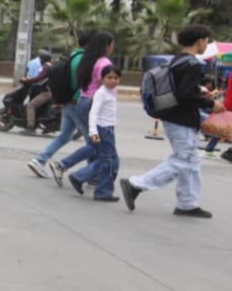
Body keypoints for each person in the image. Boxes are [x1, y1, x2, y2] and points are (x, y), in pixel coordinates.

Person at [121, 24, 226, 218]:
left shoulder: (177, 60)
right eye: (206, 41)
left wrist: (201, 94)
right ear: (199, 41)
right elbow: (185, 95)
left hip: (173, 116)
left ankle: (187, 203)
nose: (206, 44)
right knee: (182, 160)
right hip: (183, 119)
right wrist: (210, 104)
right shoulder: (192, 64)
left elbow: (181, 90)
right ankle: (136, 184)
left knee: (192, 161)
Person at [49, 31, 114, 187]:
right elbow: (105, 86)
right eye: (111, 44)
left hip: (83, 102)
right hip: (93, 104)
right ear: (106, 46)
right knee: (99, 146)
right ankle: (65, 167)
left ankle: (91, 175)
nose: (112, 47)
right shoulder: (103, 63)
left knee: (94, 144)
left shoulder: (86, 60)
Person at [27, 31, 92, 178]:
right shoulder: (85, 60)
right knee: (93, 142)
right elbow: (83, 85)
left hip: (67, 103)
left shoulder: (73, 56)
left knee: (65, 136)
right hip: (77, 103)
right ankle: (89, 174)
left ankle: (39, 160)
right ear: (89, 44)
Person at [68, 65, 122, 201]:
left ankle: (79, 177)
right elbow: (94, 112)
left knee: (107, 160)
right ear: (102, 79)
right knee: (110, 161)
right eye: (109, 77)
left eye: (116, 78)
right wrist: (93, 132)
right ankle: (103, 191)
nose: (113, 80)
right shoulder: (101, 93)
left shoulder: (111, 91)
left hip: (108, 128)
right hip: (103, 129)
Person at [22, 50, 52, 129]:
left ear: (42, 59)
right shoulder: (49, 66)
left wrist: (28, 80)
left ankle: (30, 126)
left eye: (40, 58)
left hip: (47, 92)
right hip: (46, 90)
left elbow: (39, 78)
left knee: (30, 106)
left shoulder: (46, 67)